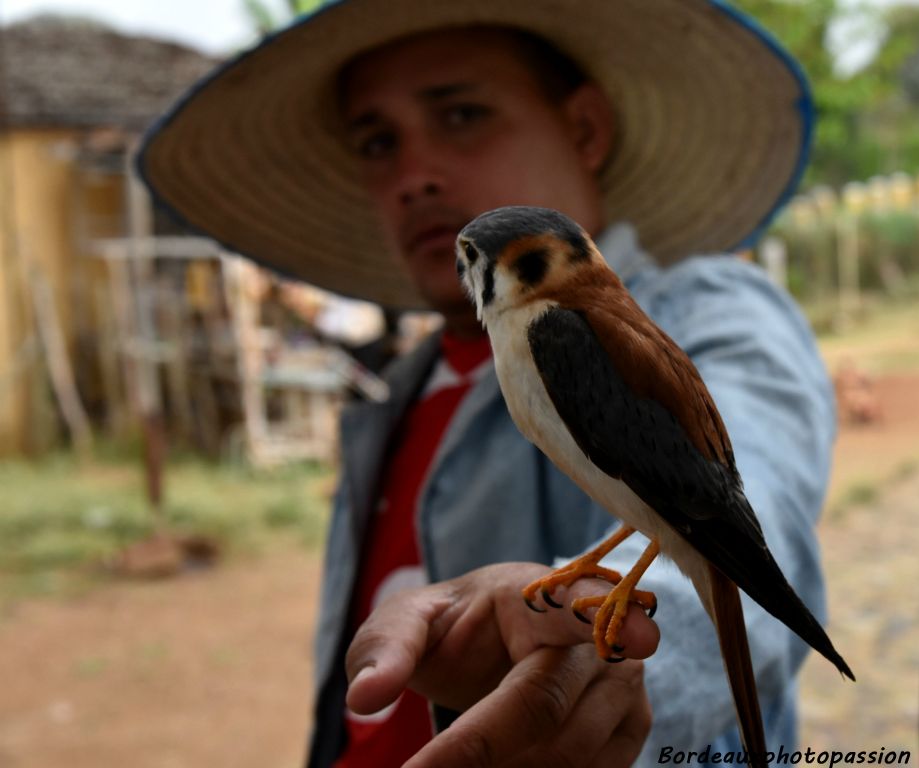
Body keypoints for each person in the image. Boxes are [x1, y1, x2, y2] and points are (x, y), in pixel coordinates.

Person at [138, 3, 838, 767]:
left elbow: (756, 487)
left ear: (585, 130)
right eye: (378, 142)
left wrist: (597, 677)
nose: (415, 175)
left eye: (462, 113)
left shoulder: (705, 313)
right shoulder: (396, 393)